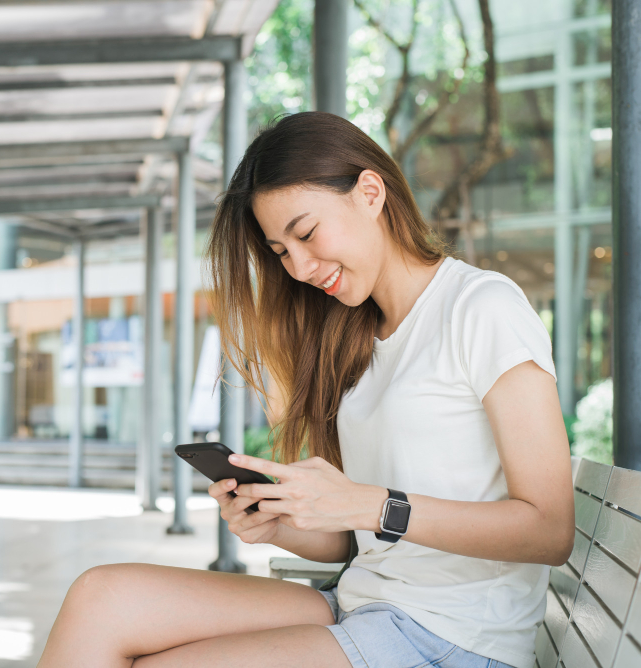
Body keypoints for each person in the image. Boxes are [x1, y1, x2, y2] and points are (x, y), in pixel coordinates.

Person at [36, 112, 574, 668]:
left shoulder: (482, 308)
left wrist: (371, 504)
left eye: (307, 234)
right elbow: (359, 541)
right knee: (101, 598)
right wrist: (282, 525)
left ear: (370, 192)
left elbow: (549, 528)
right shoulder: (356, 336)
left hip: (453, 637)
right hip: (362, 604)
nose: (300, 267)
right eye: (280, 251)